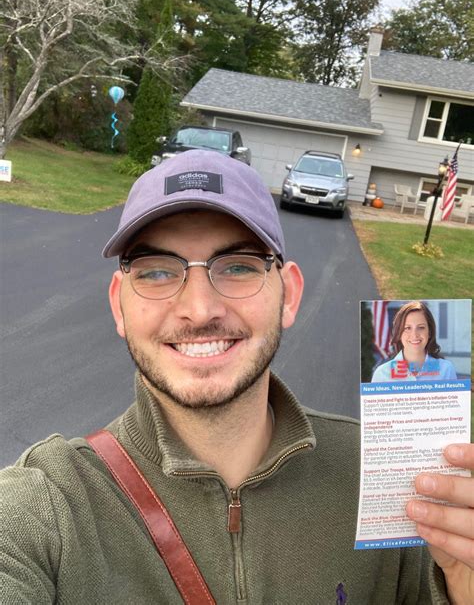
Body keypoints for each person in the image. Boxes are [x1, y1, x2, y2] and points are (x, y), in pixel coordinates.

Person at [1, 150, 473, 604]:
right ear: (118, 304)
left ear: (288, 296)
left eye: (240, 267)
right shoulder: (47, 506)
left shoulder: (397, 483)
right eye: (158, 272)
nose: (199, 309)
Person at [372, 301, 458, 382]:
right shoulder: (381, 374)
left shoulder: (446, 369)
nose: (414, 335)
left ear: (430, 332)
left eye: (421, 327)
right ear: (399, 333)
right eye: (407, 328)